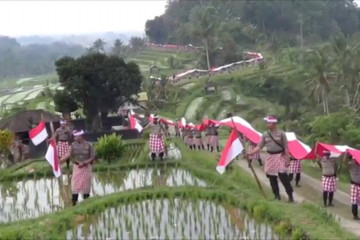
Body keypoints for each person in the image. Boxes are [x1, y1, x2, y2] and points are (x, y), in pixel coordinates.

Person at [246, 116, 294, 202]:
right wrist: (250, 153)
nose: (267, 124)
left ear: (274, 124)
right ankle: (276, 196)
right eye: (267, 123)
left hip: (280, 156)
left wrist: (287, 159)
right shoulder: (265, 134)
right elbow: (259, 146)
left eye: (269, 123)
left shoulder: (281, 133)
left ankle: (290, 196)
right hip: (271, 157)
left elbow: (286, 147)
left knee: (283, 177)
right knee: (271, 177)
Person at [60, 130, 96, 206]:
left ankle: (87, 204)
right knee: (75, 186)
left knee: (86, 187)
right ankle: (74, 204)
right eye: (74, 136)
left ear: (80, 136)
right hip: (77, 168)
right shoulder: (73, 145)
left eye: (76, 136)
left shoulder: (89, 145)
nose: (74, 138)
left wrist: (84, 162)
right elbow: (68, 154)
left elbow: (93, 157)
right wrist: (59, 161)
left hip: (86, 168)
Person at [345, 155, 360, 219]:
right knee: (354, 201)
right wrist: (346, 154)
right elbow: (344, 162)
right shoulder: (351, 165)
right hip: (354, 185)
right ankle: (355, 215)